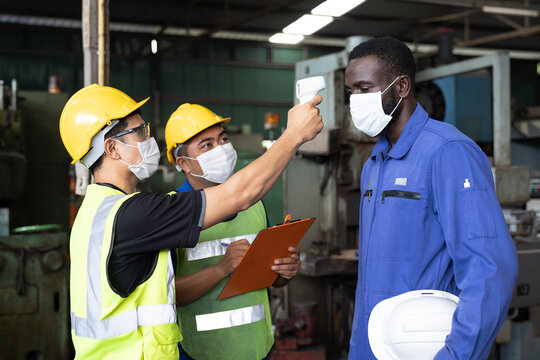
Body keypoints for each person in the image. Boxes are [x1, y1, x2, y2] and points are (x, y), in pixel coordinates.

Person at [59, 84, 322, 360]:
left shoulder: (94, 211)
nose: (149, 139)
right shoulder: (132, 215)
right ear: (112, 147)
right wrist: (293, 136)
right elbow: (240, 194)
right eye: (139, 131)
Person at [344, 37, 518, 359]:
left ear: (402, 86)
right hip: (373, 347)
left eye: (364, 88)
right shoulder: (374, 163)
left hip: (425, 347)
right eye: (351, 91)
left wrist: (455, 354)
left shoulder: (448, 152)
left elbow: (489, 270)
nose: (356, 101)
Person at [164, 103, 301, 360]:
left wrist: (285, 271)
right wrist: (221, 269)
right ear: (184, 163)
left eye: (223, 139)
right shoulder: (170, 213)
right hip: (198, 353)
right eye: (207, 145)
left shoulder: (254, 204)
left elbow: (271, 278)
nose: (221, 149)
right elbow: (165, 294)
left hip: (257, 349)